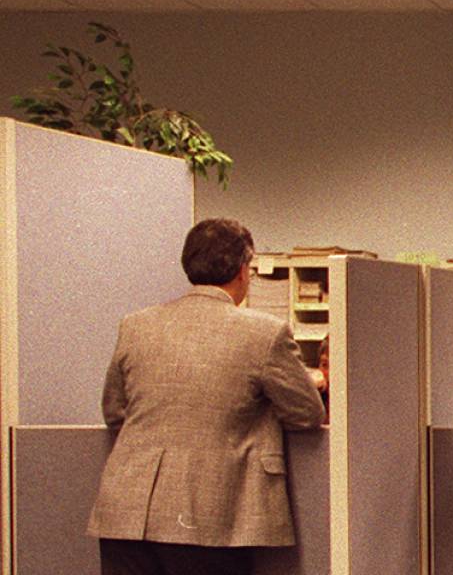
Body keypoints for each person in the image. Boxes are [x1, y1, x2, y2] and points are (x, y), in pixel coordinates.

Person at [88, 218, 325, 575]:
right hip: (211, 514)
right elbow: (306, 413)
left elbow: (115, 411)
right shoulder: (265, 333)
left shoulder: (135, 325)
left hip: (126, 512)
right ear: (244, 270)